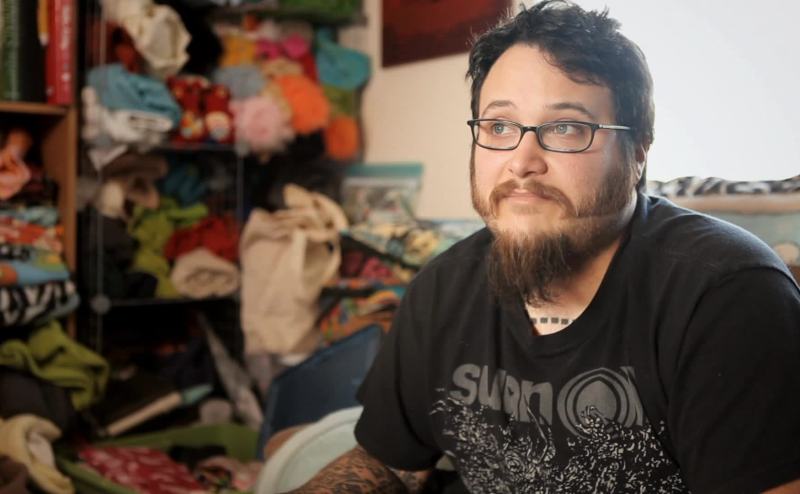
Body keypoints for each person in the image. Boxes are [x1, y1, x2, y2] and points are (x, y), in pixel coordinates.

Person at [287, 1, 800, 492]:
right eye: (499, 126)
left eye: (566, 128)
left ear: (639, 151)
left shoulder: (729, 297)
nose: (522, 161)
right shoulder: (442, 288)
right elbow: (390, 464)